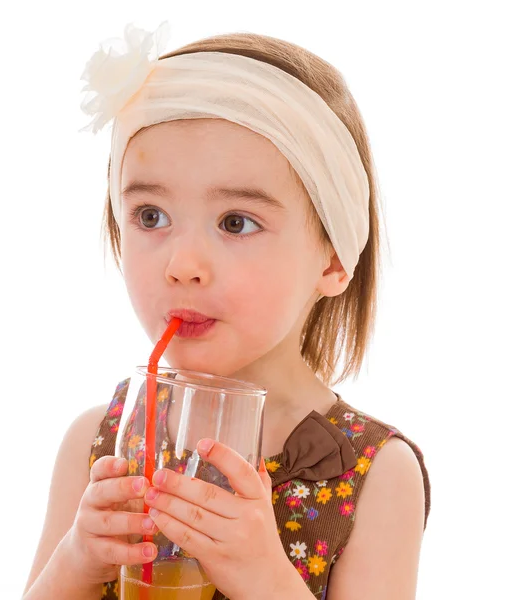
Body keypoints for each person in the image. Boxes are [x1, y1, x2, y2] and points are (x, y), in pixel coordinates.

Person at [23, 22, 431, 600]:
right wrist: (76, 562)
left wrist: (264, 576)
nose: (182, 264)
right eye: (150, 216)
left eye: (235, 222)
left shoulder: (377, 475)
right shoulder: (99, 441)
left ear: (334, 259)